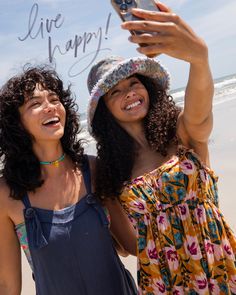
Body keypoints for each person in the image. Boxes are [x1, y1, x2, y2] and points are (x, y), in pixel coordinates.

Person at [86, 2, 236, 294]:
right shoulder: (111, 173)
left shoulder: (181, 135)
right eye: (115, 91)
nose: (129, 93)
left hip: (219, 265)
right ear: (104, 110)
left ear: (147, 87)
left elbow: (200, 113)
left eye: (133, 83)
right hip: (163, 283)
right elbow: (130, 246)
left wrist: (199, 59)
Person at [0, 66, 138, 295]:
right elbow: (6, 285)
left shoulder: (93, 169)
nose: (50, 107)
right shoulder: (6, 193)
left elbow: (130, 245)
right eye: (35, 104)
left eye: (54, 99)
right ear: (17, 124)